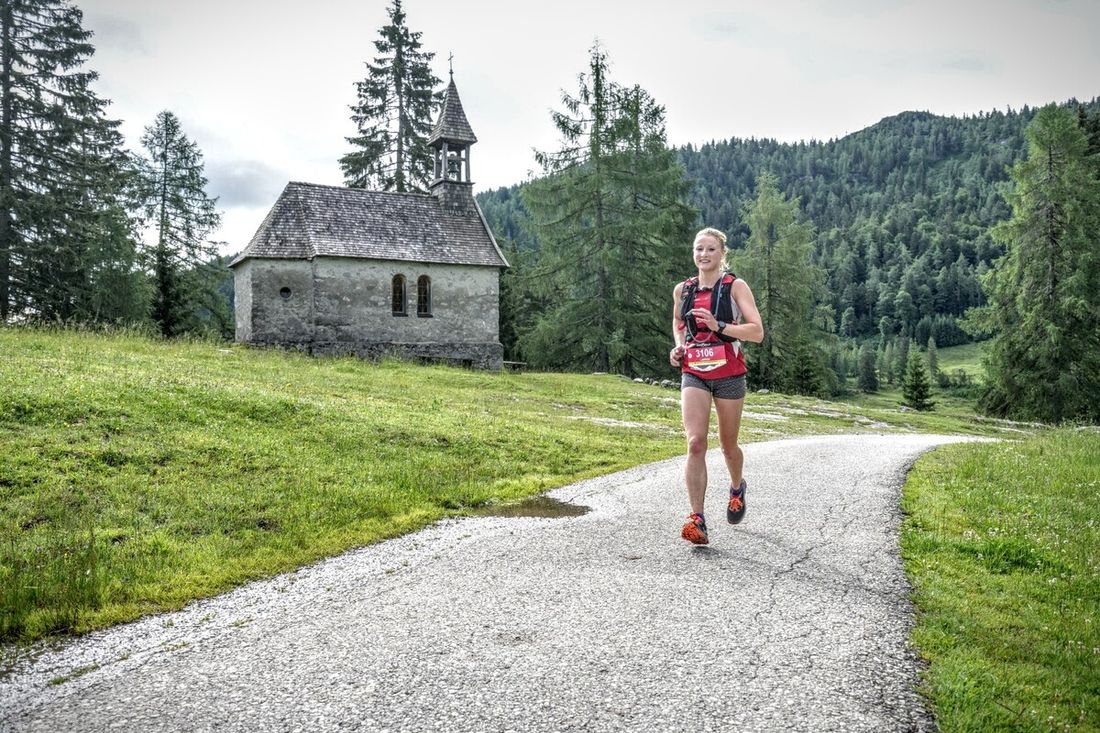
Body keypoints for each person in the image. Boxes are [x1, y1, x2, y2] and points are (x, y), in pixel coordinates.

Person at [670, 227, 764, 545]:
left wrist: (719, 325)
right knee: (696, 442)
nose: (704, 254)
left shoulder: (735, 286)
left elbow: (757, 332)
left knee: (728, 446)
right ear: (693, 253)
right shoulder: (683, 289)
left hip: (729, 374)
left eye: (710, 249)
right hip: (694, 372)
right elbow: (679, 322)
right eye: (699, 249)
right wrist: (678, 346)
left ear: (722, 253)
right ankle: (697, 518)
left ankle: (737, 488)